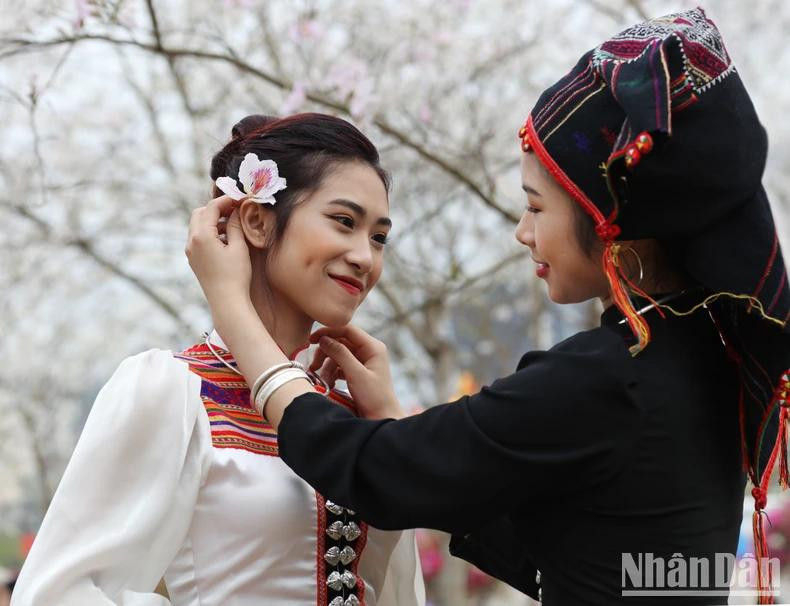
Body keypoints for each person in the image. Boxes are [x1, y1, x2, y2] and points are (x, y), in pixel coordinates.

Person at [187, 9, 789, 605]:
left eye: (536, 206)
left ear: (606, 220)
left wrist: (232, 307)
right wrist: (395, 424)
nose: (522, 233)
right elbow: (622, 571)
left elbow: (379, 473)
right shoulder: (705, 361)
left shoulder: (609, 378)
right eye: (342, 221)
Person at [12, 113, 425, 606]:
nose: (365, 257)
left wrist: (389, 431)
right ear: (256, 220)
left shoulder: (350, 410)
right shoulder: (171, 390)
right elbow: (55, 593)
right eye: (344, 222)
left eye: (379, 237)